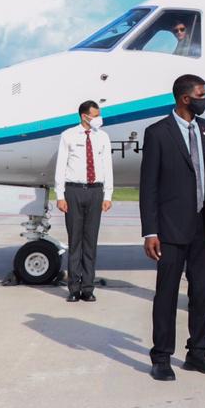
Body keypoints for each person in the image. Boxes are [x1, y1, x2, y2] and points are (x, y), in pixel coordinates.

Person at [140, 74, 205, 382]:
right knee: (166, 293)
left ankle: (198, 351)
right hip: (169, 229)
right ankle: (162, 356)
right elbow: (148, 187)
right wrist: (150, 231)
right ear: (185, 98)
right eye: (201, 94)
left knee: (203, 292)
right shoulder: (158, 133)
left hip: (204, 226)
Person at [54, 100, 114, 302]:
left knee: (91, 241)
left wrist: (108, 195)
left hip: (95, 191)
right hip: (74, 191)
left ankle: (88, 288)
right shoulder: (68, 135)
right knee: (75, 241)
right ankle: (74, 289)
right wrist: (60, 195)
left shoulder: (103, 137)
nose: (99, 119)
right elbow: (61, 166)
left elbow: (108, 167)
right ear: (84, 116)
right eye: (95, 115)